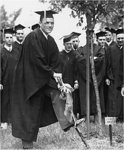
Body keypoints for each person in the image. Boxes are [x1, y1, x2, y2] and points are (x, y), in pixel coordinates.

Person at [11, 10, 74, 149]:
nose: (50, 25)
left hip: (41, 78)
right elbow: (37, 61)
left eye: (52, 23)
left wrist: (60, 81)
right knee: (29, 113)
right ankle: (27, 145)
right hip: (27, 81)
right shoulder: (32, 37)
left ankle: (66, 122)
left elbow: (56, 62)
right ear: (40, 23)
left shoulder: (50, 40)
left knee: (59, 92)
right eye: (47, 23)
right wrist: (52, 74)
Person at [105, 28, 123, 120]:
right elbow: (107, 64)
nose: (120, 40)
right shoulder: (111, 49)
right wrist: (108, 77)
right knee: (113, 98)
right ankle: (114, 117)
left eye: (122, 38)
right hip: (114, 78)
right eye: (119, 38)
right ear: (116, 38)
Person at [0, 28, 15, 129]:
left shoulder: (15, 51)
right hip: (4, 80)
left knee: (14, 100)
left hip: (14, 81)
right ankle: (3, 122)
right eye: (7, 38)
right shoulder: (1, 52)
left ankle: (12, 121)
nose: (9, 39)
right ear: (4, 39)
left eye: (11, 37)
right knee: (4, 101)